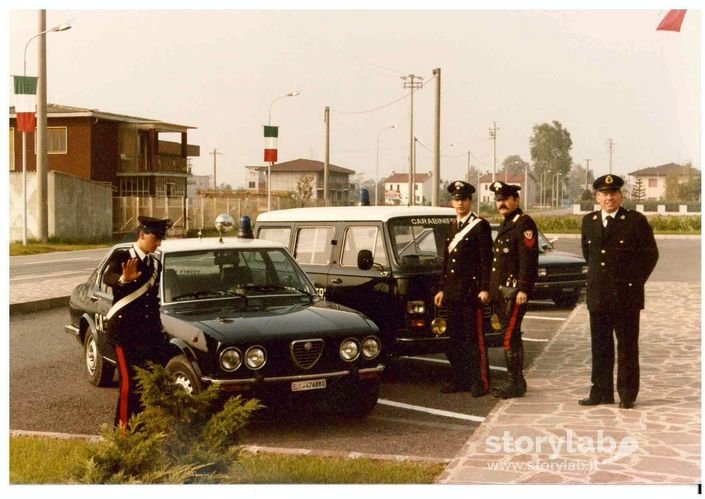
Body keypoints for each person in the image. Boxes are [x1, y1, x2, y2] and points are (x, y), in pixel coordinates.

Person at [578, 174, 658, 409]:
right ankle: (600, 392)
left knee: (627, 346)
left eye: (613, 193)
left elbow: (650, 255)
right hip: (599, 294)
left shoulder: (634, 220)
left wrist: (634, 281)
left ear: (621, 195)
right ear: (597, 197)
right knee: (600, 345)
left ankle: (627, 393)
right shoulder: (589, 221)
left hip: (626, 295)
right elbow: (588, 254)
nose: (609, 198)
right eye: (603, 193)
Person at [103, 216, 172, 430]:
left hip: (146, 333)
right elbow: (109, 276)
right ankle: (123, 433)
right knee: (129, 384)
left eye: (161, 238)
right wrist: (124, 279)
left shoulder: (155, 262)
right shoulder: (123, 255)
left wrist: (158, 330)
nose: (159, 243)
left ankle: (140, 428)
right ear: (142, 235)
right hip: (124, 333)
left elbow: (152, 300)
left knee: (146, 384)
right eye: (156, 237)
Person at [434, 180, 493, 396]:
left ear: (470, 201)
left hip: (471, 293)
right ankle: (460, 378)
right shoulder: (451, 226)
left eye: (464, 199)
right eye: (456, 199)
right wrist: (441, 289)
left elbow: (487, 260)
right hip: (453, 293)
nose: (460, 203)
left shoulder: (480, 226)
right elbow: (447, 262)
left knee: (473, 340)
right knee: (455, 340)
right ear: (452, 202)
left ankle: (480, 382)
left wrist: (485, 288)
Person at [488, 181, 539, 399]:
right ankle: (518, 381)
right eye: (499, 200)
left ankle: (514, 382)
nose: (502, 203)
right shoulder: (507, 223)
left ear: (516, 200)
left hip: (514, 293)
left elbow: (529, 260)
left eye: (506, 199)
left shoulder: (523, 223)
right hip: (502, 291)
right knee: (510, 335)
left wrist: (524, 289)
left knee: (509, 336)